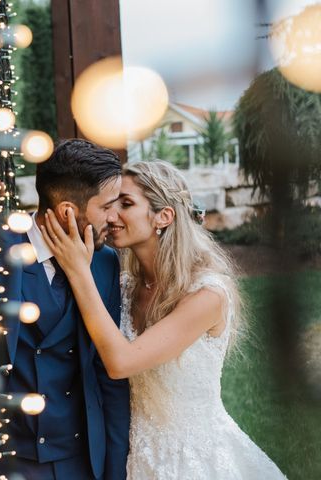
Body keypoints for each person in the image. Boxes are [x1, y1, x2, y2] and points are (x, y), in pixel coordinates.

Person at [40, 160, 287, 479]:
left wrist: (78, 271)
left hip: (193, 459)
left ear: (164, 216)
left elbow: (121, 361)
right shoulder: (125, 287)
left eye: (126, 204)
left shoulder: (207, 295)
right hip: (136, 455)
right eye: (112, 205)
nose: (112, 216)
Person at [0, 139, 130, 480]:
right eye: (107, 207)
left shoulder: (104, 262)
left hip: (81, 459)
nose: (115, 218)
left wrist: (114, 470)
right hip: (11, 460)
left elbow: (108, 375)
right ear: (69, 211)